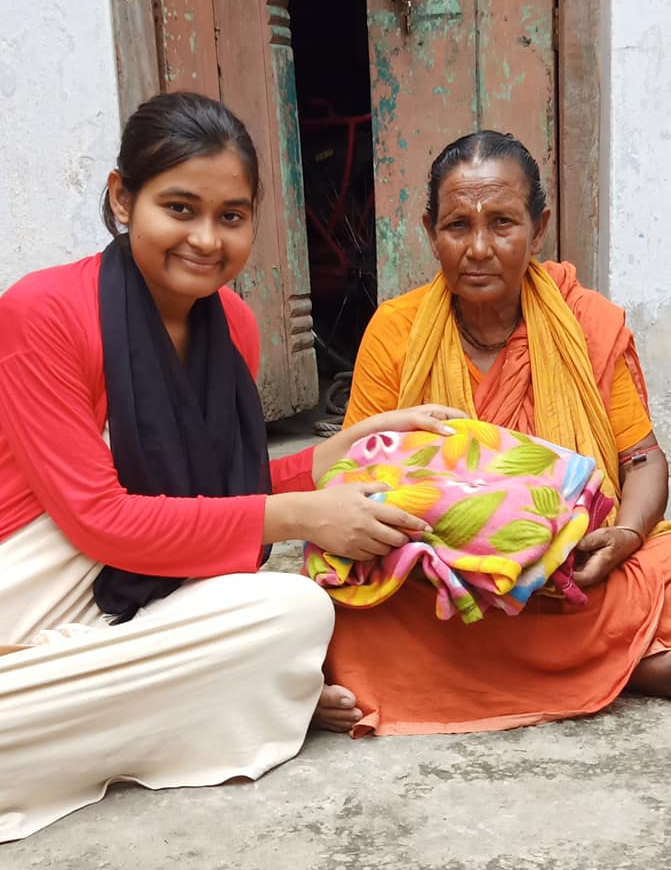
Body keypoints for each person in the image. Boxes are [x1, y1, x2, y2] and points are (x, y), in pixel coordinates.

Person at [0, 91, 461, 841]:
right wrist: (298, 514)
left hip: (125, 596)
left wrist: (324, 462)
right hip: (34, 575)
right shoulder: (43, 310)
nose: (206, 240)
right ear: (123, 198)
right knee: (257, 613)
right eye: (179, 209)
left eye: (231, 216)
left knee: (294, 611)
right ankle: (215, 686)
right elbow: (101, 518)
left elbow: (207, 490)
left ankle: (168, 681)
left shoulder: (236, 326)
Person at [322, 130, 671, 737]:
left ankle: (563, 662)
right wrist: (453, 546)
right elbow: (356, 475)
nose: (479, 248)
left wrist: (625, 534)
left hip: (578, 566)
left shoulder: (587, 320)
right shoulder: (396, 330)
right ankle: (629, 662)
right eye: (458, 226)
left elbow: (641, 460)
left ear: (539, 229)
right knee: (340, 609)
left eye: (503, 223)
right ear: (431, 230)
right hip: (444, 580)